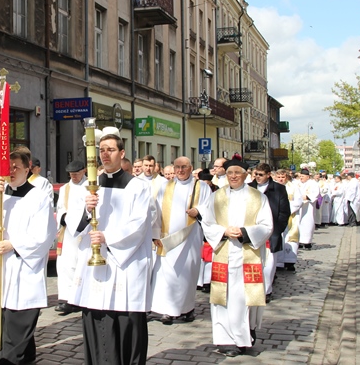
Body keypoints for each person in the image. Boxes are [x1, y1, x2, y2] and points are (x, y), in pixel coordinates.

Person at [67, 133, 152, 365]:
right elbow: (73, 224)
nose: (105, 154)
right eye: (101, 150)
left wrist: (108, 237)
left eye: (111, 149)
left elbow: (139, 224)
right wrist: (87, 211)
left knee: (126, 317)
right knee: (97, 314)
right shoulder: (89, 186)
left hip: (125, 263)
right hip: (95, 264)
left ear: (122, 153)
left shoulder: (138, 186)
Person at [0, 150, 55, 364]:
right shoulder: (0, 194)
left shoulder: (39, 197)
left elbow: (44, 234)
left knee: (19, 320)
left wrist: (14, 244)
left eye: (16, 167)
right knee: (1, 316)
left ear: (28, 168)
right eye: (8, 167)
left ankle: (14, 357)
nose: (12, 171)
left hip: (22, 266)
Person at [201, 159, 273, 357]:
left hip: (247, 254)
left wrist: (244, 232)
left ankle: (243, 336)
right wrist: (224, 231)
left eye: (237, 172)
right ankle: (225, 340)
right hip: (223, 252)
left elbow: (267, 225)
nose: (233, 176)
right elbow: (207, 222)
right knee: (222, 298)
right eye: (230, 172)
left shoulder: (258, 197)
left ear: (245, 174)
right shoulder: (216, 197)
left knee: (242, 299)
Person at [151, 156, 211, 324]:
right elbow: (156, 210)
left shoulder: (201, 187)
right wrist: (155, 234)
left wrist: (198, 211)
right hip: (168, 239)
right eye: (177, 167)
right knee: (167, 275)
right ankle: (168, 311)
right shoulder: (165, 186)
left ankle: (188, 309)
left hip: (190, 237)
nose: (180, 170)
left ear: (191, 168)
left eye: (184, 167)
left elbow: (210, 206)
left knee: (188, 274)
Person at [249, 163, 290, 303]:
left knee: (269, 263)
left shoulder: (278, 189)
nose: (257, 177)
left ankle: (266, 291)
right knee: (253, 261)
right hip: (252, 230)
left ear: (268, 175)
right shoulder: (249, 188)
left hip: (272, 230)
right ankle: (253, 289)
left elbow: (284, 211)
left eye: (261, 175)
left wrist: (277, 229)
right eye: (256, 174)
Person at [54, 160, 88, 314]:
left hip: (84, 231)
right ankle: (66, 299)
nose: (74, 177)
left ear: (84, 171)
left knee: (82, 265)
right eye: (71, 174)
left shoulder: (90, 186)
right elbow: (60, 207)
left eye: (76, 174)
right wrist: (62, 217)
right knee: (65, 265)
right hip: (68, 232)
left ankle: (81, 298)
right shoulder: (65, 189)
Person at [275, 169, 302, 272]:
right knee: (279, 237)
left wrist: (286, 210)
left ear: (286, 177)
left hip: (291, 216)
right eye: (279, 177)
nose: (281, 179)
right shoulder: (273, 187)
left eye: (283, 177)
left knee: (290, 237)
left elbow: (298, 201)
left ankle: (290, 261)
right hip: (277, 217)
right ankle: (278, 262)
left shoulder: (293, 187)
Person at [297, 169, 319, 249]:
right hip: (299, 206)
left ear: (308, 177)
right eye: (300, 176)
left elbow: (316, 193)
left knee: (308, 223)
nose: (301, 178)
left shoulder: (313, 183)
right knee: (298, 223)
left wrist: (307, 197)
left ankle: (307, 242)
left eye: (303, 176)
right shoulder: (297, 183)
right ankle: (299, 241)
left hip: (309, 206)